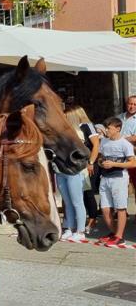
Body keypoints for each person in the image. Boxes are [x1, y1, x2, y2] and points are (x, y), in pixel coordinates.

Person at [55, 104, 97, 243]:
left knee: (77, 201)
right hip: (61, 168)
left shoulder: (85, 126)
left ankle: (80, 230)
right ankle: (69, 227)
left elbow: (96, 145)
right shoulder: (63, 129)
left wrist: (90, 162)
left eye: (66, 116)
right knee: (67, 201)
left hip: (76, 168)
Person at [96, 117, 136, 247]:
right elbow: (100, 158)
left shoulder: (125, 144)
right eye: (106, 127)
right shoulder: (104, 142)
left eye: (109, 128)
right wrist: (101, 163)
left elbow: (133, 162)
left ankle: (120, 236)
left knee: (120, 208)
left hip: (119, 178)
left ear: (117, 129)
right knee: (105, 209)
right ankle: (114, 233)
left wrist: (114, 164)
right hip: (105, 178)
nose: (106, 130)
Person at [117, 95, 136, 196]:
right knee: (120, 184)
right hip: (119, 155)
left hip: (133, 154)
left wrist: (121, 139)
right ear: (126, 104)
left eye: (134, 104)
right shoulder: (119, 118)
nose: (132, 106)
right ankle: (121, 211)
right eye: (130, 104)